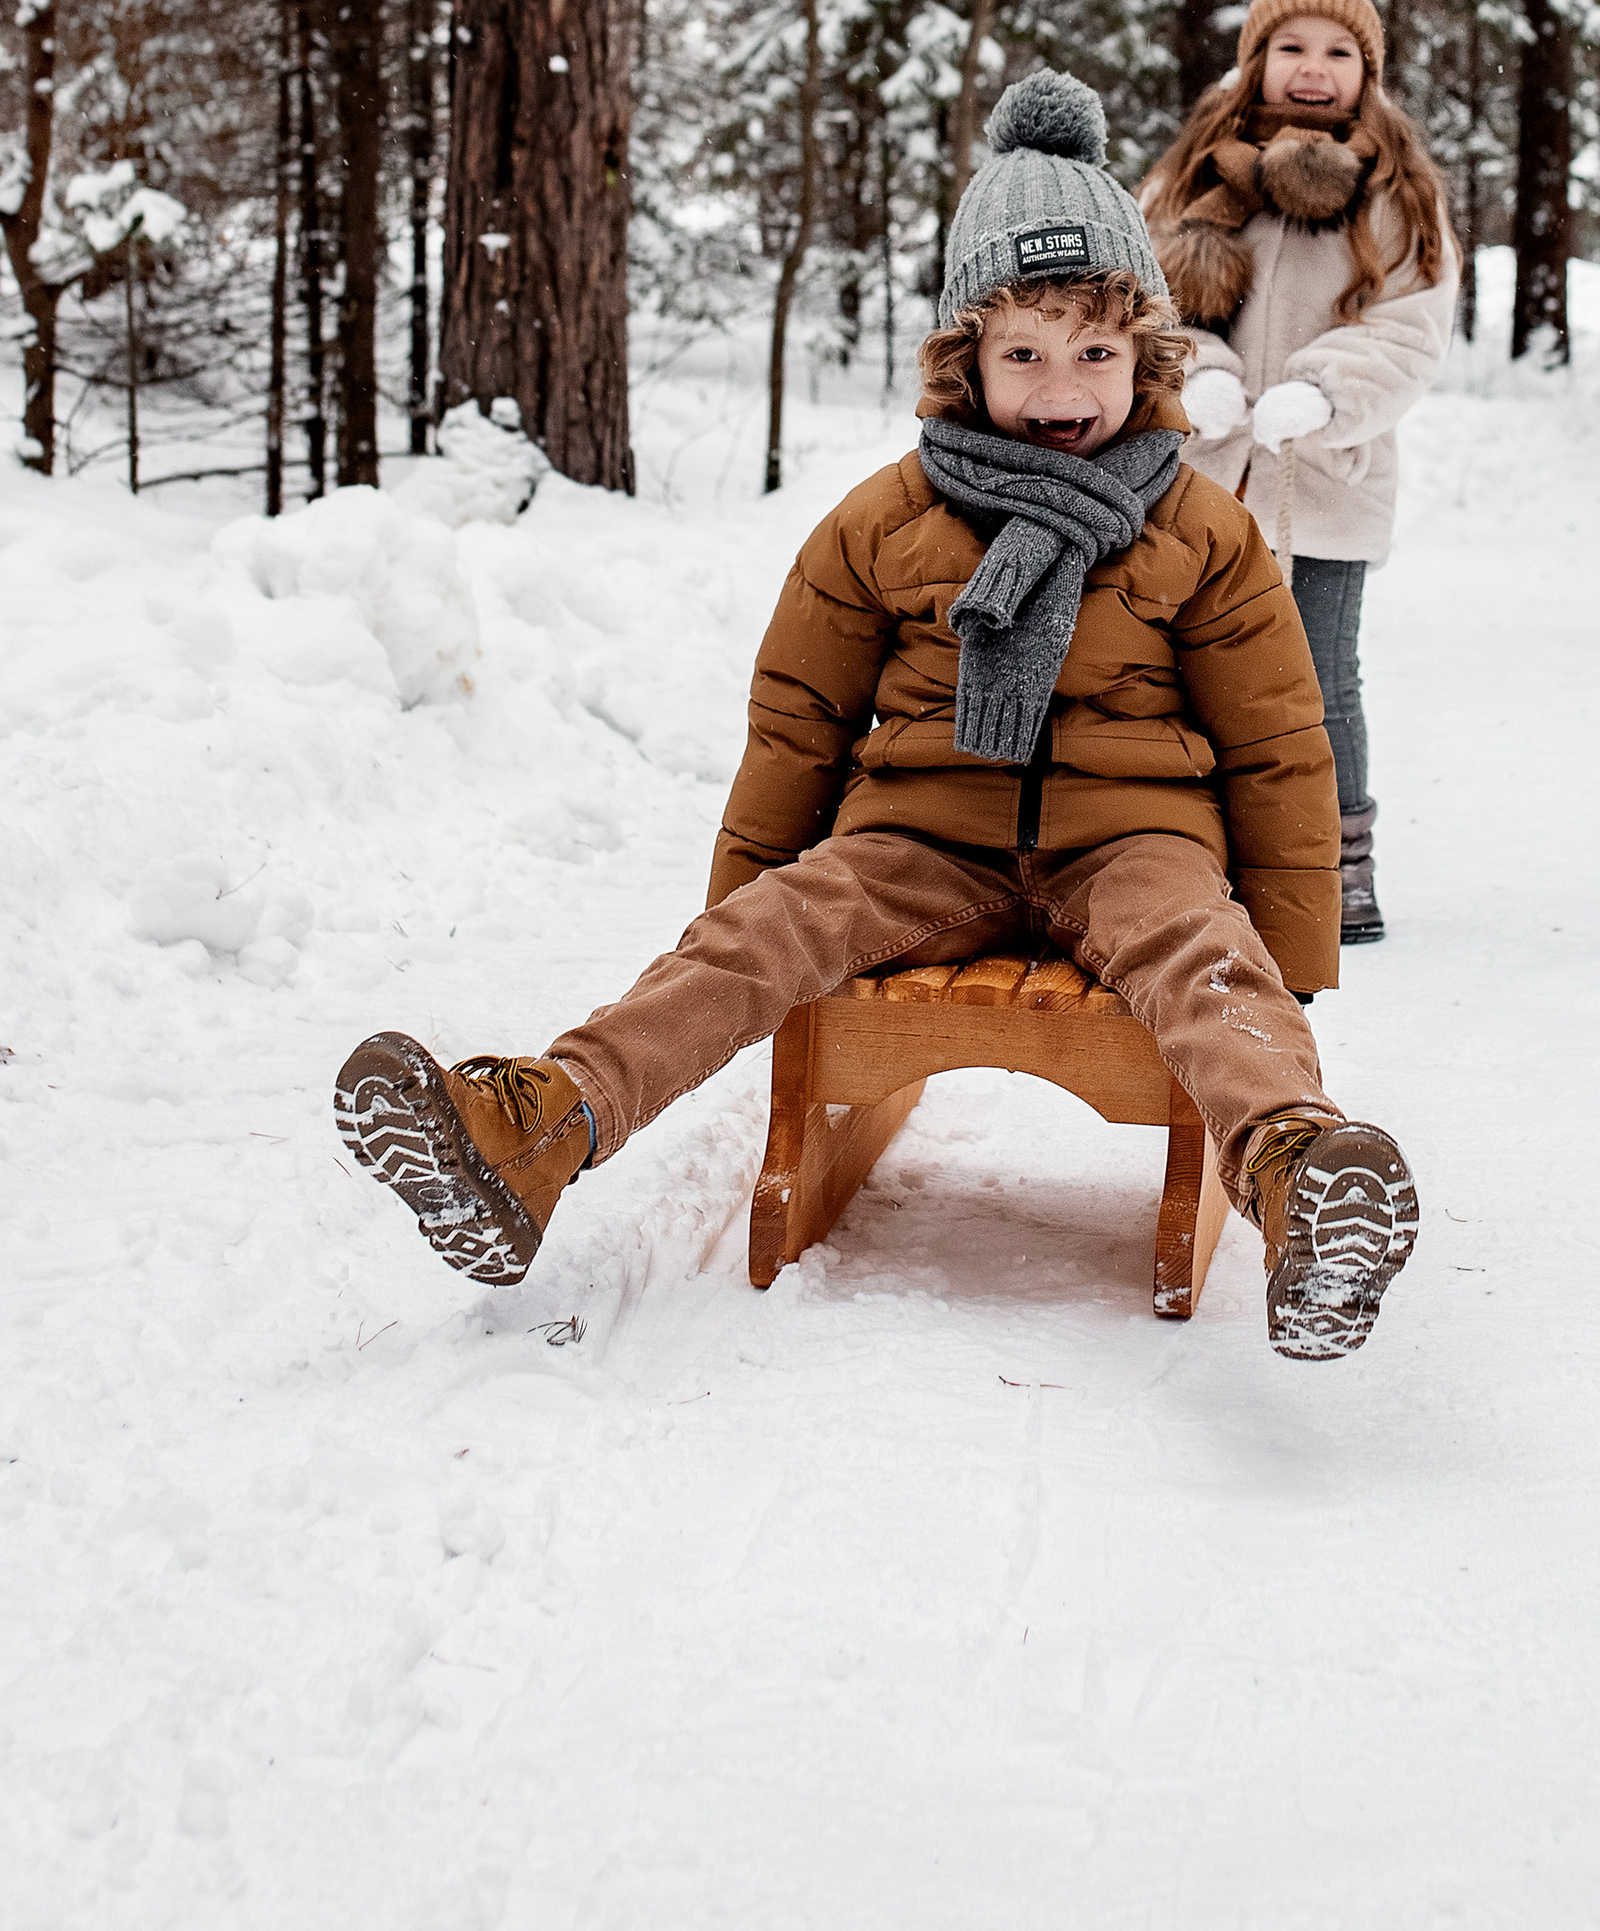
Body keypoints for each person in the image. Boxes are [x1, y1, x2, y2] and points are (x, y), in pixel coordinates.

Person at [334, 72, 1419, 1362]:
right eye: (1022, 352)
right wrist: (741, 909)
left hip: (1138, 843)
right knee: (767, 931)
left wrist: (1291, 945)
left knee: (1206, 961)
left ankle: (1301, 1181)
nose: (1060, 385)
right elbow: (797, 726)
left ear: (1147, 356)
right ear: (966, 362)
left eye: (1094, 352)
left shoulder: (1198, 528)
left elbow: (1276, 743)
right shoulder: (885, 522)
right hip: (918, 839)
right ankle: (532, 1129)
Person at [1144, 0, 1458, 944]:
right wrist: (1204, 372)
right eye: (1292, 47)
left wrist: (1321, 391)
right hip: (1207, 467)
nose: (1314, 68)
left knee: (1319, 671)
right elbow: (1147, 300)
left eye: (1339, 50)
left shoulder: (1395, 191)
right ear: (1256, 59)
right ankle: (1197, 856)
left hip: (1330, 472)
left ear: (1367, 71)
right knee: (1193, 665)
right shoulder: (1195, 175)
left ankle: (1336, 861)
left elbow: (1413, 326)